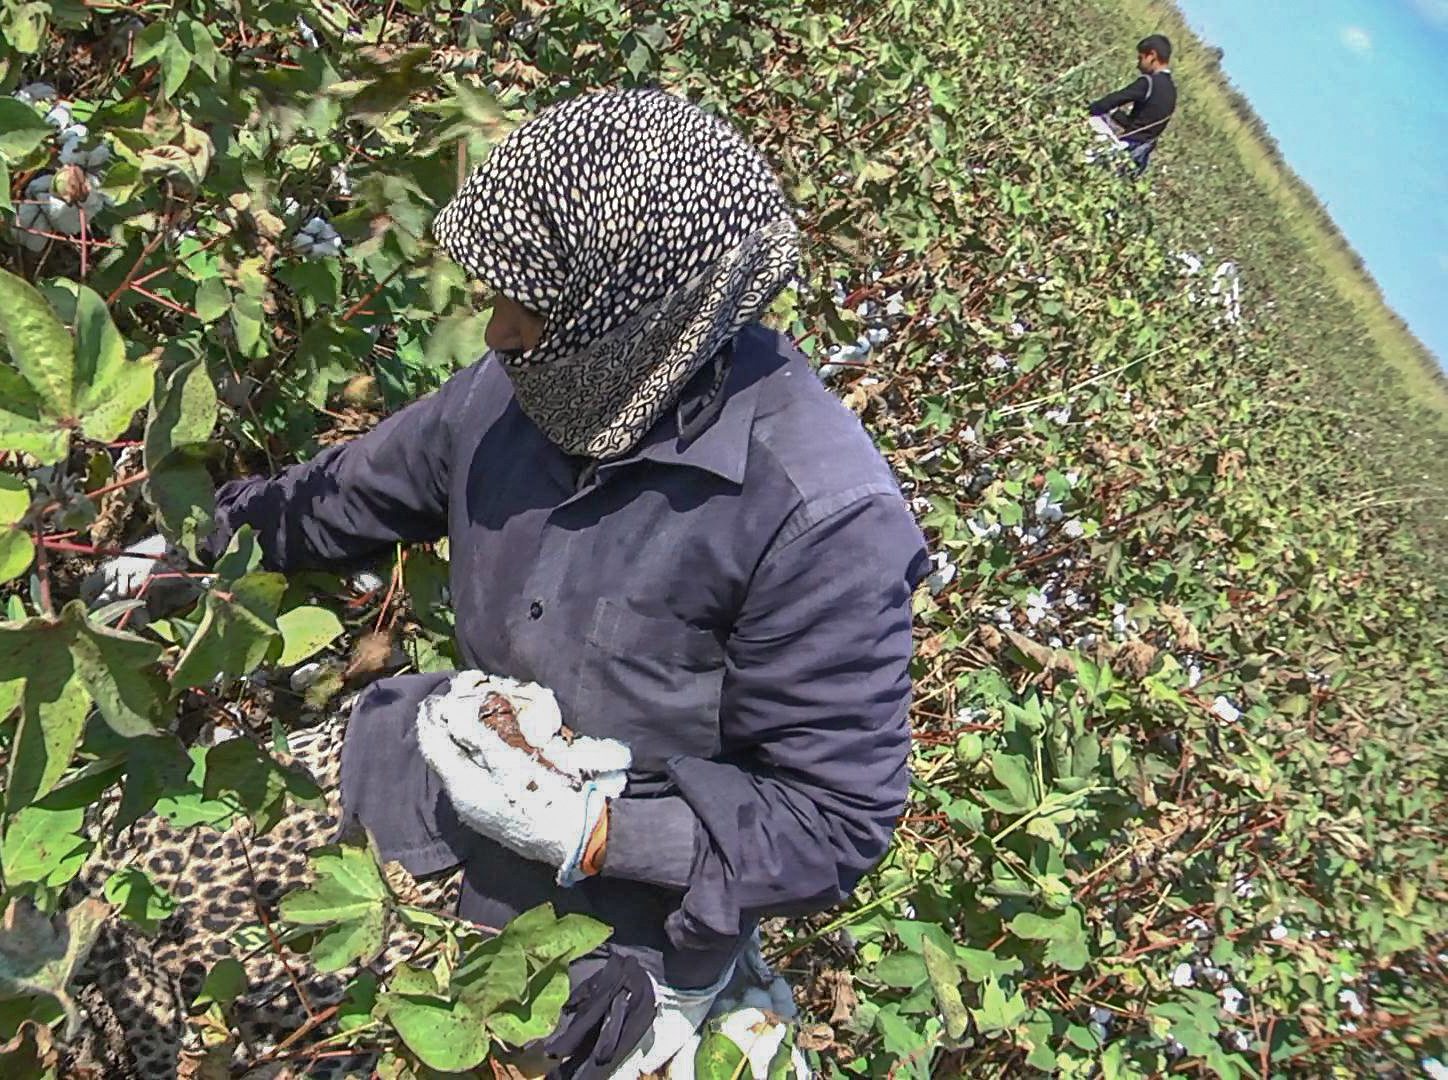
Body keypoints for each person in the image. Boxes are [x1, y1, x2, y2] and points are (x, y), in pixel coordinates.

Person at [205, 88, 926, 1078]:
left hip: (578, 953)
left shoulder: (822, 518)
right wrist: (189, 542)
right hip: (405, 780)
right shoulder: (515, 387)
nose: (498, 332)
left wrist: (596, 833)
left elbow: (832, 819)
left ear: (637, 316)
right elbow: (341, 501)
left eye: (532, 307)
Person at [1088, 33, 1177, 174]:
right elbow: (1143, 125)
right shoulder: (1172, 91)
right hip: (1138, 157)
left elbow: (1113, 100)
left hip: (1124, 147)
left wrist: (1086, 111)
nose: (1138, 65)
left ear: (1152, 56)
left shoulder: (1148, 82)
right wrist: (1116, 115)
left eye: (1140, 58)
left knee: (1090, 121)